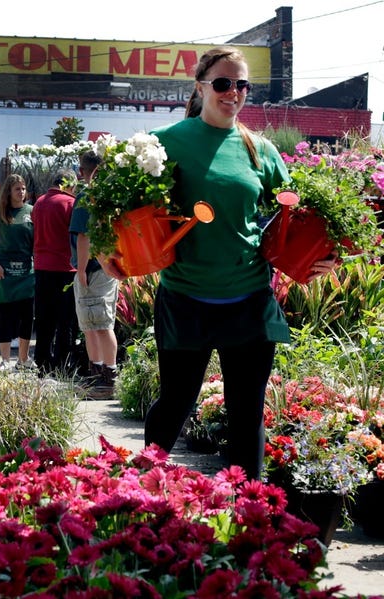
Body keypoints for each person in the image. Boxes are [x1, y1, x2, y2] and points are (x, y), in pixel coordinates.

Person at [103, 47, 337, 480]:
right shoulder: (165, 142)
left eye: (242, 85)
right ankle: (136, 493)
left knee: (246, 412)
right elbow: (108, 201)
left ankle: (250, 513)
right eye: (223, 83)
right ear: (201, 87)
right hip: (184, 296)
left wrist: (324, 256)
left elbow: (297, 220)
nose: (233, 93)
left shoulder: (261, 151)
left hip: (248, 298)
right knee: (176, 402)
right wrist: (106, 249)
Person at [69, 150, 119, 399]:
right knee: (96, 324)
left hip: (93, 268)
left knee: (96, 324)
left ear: (83, 171)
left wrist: (81, 269)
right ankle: (102, 376)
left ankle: (104, 380)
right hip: (107, 266)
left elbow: (83, 235)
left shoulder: (87, 196)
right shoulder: (109, 196)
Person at [0, 173, 35, 370]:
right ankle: (5, 360)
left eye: (23, 189)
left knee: (26, 316)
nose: (21, 192)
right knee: (5, 315)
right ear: (9, 191)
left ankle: (23, 359)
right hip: (3, 272)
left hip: (27, 272)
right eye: (17, 189)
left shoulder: (32, 211)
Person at [32, 167, 78, 376]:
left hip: (42, 266)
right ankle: (62, 364)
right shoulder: (69, 203)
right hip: (65, 267)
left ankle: (42, 362)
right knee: (65, 320)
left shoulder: (39, 203)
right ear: (69, 184)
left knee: (44, 318)